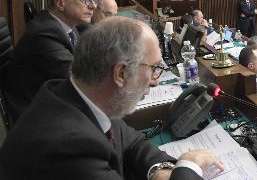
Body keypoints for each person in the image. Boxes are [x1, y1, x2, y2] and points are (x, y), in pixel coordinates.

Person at [0, 17, 223, 180]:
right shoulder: (67, 147)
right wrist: (188, 166)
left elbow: (130, 141)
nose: (155, 80)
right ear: (121, 73)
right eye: (154, 68)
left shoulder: (78, 94)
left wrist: (157, 170)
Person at [3, 0, 97, 123]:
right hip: (36, 118)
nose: (93, 6)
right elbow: (81, 80)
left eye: (94, 0)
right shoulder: (44, 34)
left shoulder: (71, 26)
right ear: (60, 4)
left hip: (55, 102)